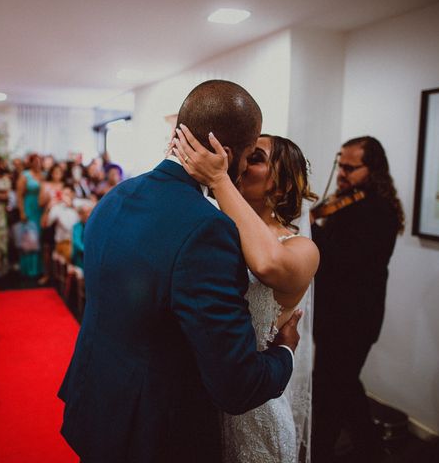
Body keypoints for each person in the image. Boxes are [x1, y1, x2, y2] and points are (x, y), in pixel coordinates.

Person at [58, 80, 302, 462]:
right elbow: (235, 385)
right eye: (251, 153)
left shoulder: (117, 196)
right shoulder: (207, 228)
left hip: (96, 403)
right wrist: (285, 350)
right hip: (153, 431)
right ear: (230, 152)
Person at [173, 130, 319, 462]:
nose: (239, 162)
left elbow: (267, 263)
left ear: (282, 185)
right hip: (198, 395)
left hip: (253, 402)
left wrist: (220, 179)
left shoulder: (301, 247)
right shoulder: (211, 226)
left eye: (255, 158)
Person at [311, 136, 403, 462]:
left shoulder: (378, 210)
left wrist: (309, 232)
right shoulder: (347, 201)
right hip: (335, 314)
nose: (342, 174)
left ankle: (322, 452)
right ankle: (371, 449)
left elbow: (344, 260)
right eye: (341, 165)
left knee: (331, 391)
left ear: (372, 169)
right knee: (343, 387)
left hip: (355, 318)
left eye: (351, 168)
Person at [16, 154, 44, 278]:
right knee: (29, 237)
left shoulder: (43, 175)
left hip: (40, 209)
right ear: (31, 162)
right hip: (29, 206)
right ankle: (28, 269)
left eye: (39, 161)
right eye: (35, 161)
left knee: (40, 236)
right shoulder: (25, 175)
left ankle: (38, 268)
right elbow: (19, 195)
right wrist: (22, 212)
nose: (37, 163)